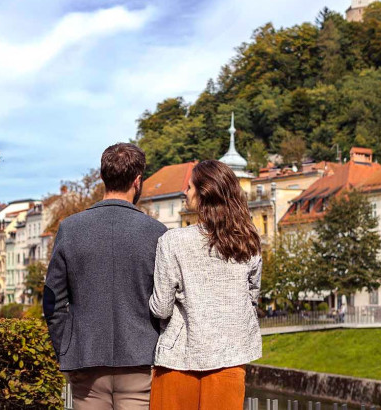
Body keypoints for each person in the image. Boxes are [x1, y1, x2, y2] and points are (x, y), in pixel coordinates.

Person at [44, 143, 167, 410]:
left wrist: (66, 348)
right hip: (141, 358)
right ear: (137, 180)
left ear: (103, 177)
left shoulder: (70, 228)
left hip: (86, 359)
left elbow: (53, 301)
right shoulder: (157, 232)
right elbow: (165, 301)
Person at [149, 160, 263, 410]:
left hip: (179, 360)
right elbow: (251, 297)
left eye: (189, 188)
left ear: (203, 194)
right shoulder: (248, 242)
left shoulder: (173, 241)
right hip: (230, 357)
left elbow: (161, 308)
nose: (185, 193)